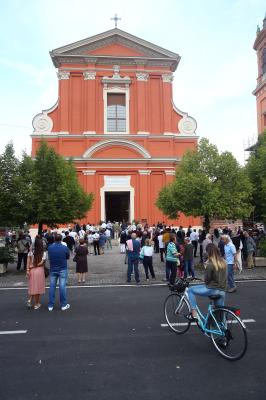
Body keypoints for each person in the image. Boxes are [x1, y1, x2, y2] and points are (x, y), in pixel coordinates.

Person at [187, 244, 226, 319]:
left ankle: (194, 313)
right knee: (220, 311)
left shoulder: (210, 264)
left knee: (190, 290)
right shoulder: (224, 262)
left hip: (213, 289)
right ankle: (222, 327)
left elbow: (207, 280)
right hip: (222, 290)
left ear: (209, 253)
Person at [47, 234, 70, 311]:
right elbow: (67, 257)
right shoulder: (65, 248)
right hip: (62, 268)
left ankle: (50, 305)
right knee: (62, 286)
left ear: (54, 239)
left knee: (52, 286)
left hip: (53, 268)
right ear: (61, 239)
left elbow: (49, 258)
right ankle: (63, 304)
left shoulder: (50, 248)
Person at [26, 235, 46, 310]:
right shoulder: (43, 253)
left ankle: (30, 300)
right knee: (38, 288)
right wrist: (34, 265)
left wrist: (28, 270)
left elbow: (28, 262)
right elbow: (41, 263)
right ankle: (36, 304)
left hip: (31, 271)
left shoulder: (31, 252)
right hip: (39, 271)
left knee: (32, 286)